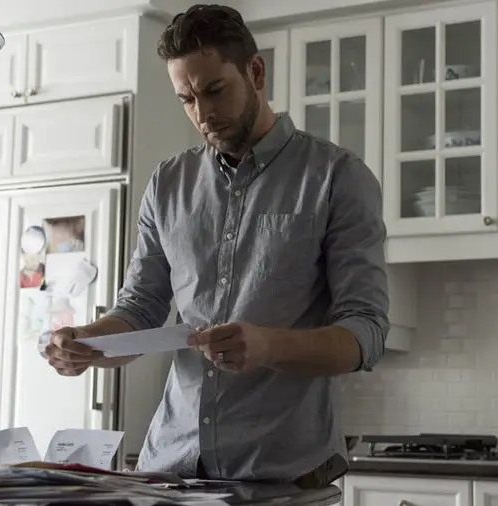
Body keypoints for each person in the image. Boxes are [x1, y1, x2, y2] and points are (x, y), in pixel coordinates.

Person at [45, 3, 389, 487]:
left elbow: (367, 332)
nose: (202, 114)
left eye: (214, 90)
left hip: (281, 478)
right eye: (186, 98)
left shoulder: (336, 177)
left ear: (256, 71)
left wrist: (267, 345)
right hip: (170, 470)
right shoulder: (168, 183)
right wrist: (89, 343)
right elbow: (141, 309)